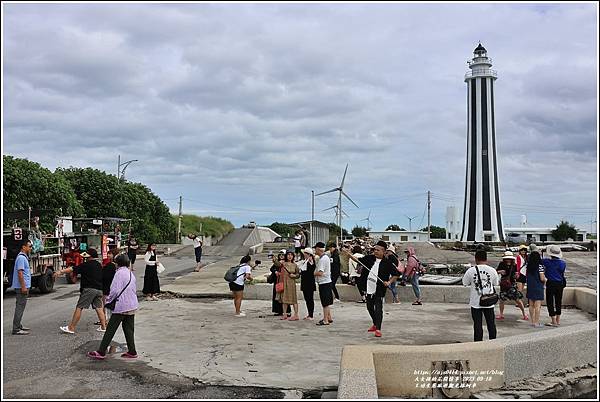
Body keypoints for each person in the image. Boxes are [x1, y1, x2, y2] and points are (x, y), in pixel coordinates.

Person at [87, 253, 139, 360]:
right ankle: (132, 351)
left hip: (121, 305)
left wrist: (108, 300)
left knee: (110, 329)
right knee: (129, 329)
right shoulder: (130, 273)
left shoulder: (119, 274)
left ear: (118, 263)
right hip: (132, 304)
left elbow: (115, 290)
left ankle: (101, 351)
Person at [343, 240, 399, 338]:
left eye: (378, 250)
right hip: (369, 287)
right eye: (374, 249)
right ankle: (375, 323)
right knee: (369, 307)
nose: (375, 251)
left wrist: (389, 282)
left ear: (384, 251)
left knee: (378, 308)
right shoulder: (369, 258)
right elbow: (358, 261)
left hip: (379, 289)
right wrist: (349, 254)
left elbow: (396, 274)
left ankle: (378, 329)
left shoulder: (387, 263)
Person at [55, 248, 107, 334]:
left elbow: (72, 269)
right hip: (99, 289)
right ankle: (103, 326)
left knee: (79, 307)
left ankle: (71, 327)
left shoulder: (86, 265)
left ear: (89, 256)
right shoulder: (99, 265)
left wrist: (60, 272)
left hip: (89, 289)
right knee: (99, 308)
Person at [462, 249, 499, 342]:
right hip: (489, 301)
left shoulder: (471, 270)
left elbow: (465, 283)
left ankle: (478, 343)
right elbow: (495, 283)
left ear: (476, 259)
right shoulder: (492, 270)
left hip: (475, 302)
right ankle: (493, 342)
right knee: (491, 323)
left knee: (477, 325)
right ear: (486, 259)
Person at [496, 251, 527, 321]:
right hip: (504, 284)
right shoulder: (501, 264)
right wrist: (500, 272)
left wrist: (516, 275)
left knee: (517, 299)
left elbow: (517, 276)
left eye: (509, 258)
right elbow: (496, 271)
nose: (508, 260)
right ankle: (501, 314)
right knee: (502, 300)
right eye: (507, 258)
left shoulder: (514, 265)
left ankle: (524, 314)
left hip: (512, 284)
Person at [11, 240, 33, 335]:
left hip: (23, 286)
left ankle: (18, 325)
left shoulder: (23, 257)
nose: (30, 248)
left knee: (20, 306)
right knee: (20, 307)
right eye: (29, 246)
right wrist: (23, 286)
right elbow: (20, 273)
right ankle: (16, 329)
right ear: (24, 247)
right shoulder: (21, 258)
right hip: (21, 287)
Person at [542, 245, 566, 327]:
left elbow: (539, 261)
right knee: (558, 301)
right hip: (560, 283)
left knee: (550, 301)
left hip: (551, 283)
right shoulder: (563, 263)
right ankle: (558, 319)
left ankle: (553, 320)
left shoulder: (547, 262)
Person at [274, 251, 300, 321]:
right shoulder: (283, 263)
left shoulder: (295, 265)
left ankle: (296, 314)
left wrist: (294, 275)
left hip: (291, 284)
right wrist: (274, 258)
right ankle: (284, 314)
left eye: (291, 255)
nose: (290, 256)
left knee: (294, 299)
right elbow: (276, 264)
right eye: (288, 255)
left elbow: (298, 275)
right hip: (284, 283)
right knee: (284, 299)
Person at [526, 244, 547, 328]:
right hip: (538, 287)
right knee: (537, 306)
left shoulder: (528, 266)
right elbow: (542, 278)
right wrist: (545, 280)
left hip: (530, 286)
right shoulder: (540, 266)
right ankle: (536, 322)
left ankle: (532, 321)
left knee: (531, 305)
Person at [314, 242, 334, 326]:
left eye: (315, 249)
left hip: (324, 283)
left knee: (325, 303)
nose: (314, 250)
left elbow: (320, 273)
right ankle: (329, 317)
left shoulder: (322, 259)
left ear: (318, 249)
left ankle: (325, 320)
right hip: (327, 282)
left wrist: (313, 273)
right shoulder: (325, 257)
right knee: (327, 302)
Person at [268, 251, 290, 316]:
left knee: (285, 296)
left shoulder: (287, 262)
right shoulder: (277, 262)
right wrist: (275, 271)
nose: (281, 256)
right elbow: (272, 268)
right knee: (277, 296)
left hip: (284, 280)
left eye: (283, 255)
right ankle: (278, 311)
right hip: (277, 281)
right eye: (280, 255)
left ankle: (287, 311)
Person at [298, 247, 317, 320]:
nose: (304, 255)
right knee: (307, 299)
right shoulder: (305, 261)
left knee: (310, 299)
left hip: (309, 283)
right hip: (304, 282)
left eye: (306, 253)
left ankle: (311, 314)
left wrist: (310, 260)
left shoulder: (311, 261)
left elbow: (312, 266)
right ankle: (309, 314)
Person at [101, 249, 118, 323]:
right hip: (112, 286)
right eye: (108, 254)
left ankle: (105, 319)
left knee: (106, 304)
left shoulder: (111, 265)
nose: (108, 255)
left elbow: (104, 276)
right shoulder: (116, 265)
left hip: (107, 287)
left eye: (110, 254)